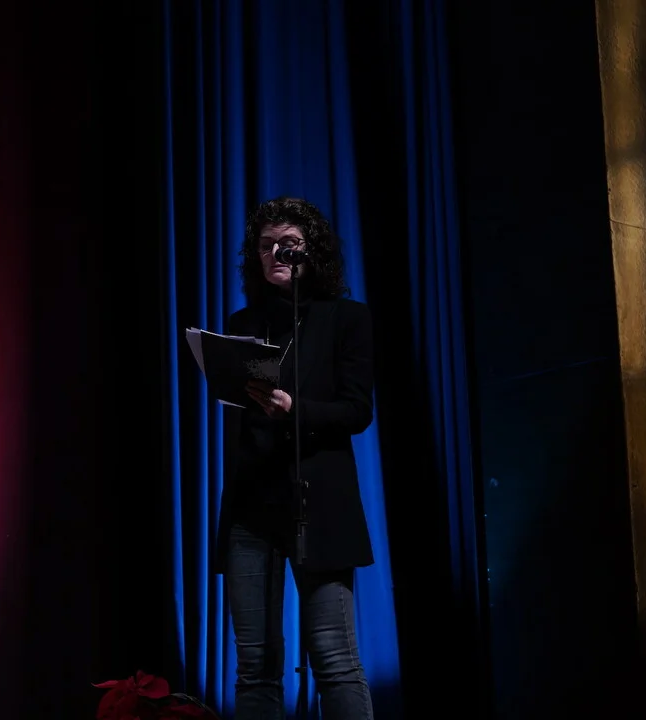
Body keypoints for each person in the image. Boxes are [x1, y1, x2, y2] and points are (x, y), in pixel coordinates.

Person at [216, 196, 377, 720]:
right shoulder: (244, 322)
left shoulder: (346, 319)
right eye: (266, 246)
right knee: (255, 665)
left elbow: (356, 410)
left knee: (334, 658)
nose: (276, 254)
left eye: (289, 244)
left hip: (318, 503)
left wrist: (294, 409)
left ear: (313, 251)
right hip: (252, 508)